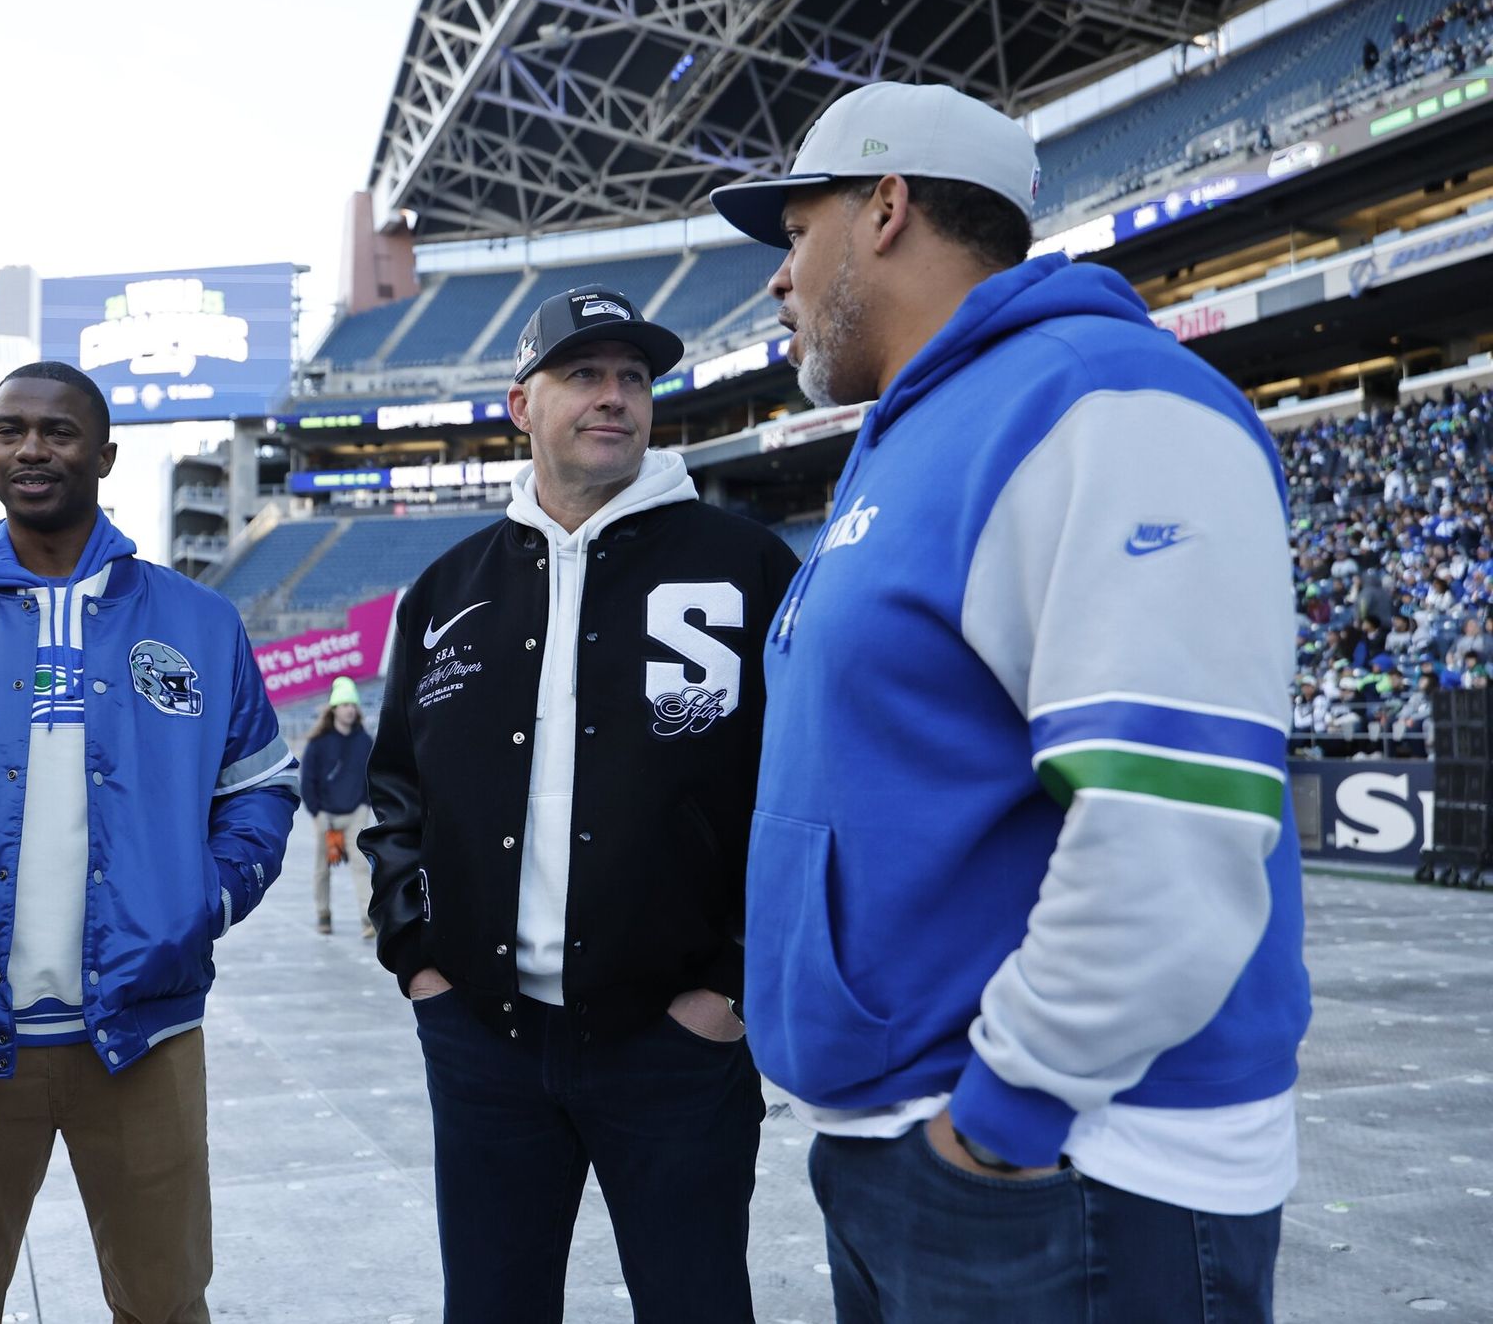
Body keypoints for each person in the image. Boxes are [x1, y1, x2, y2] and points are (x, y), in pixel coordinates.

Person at [711, 81, 1309, 1323]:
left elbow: (1169, 821)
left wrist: (1000, 1123)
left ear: (883, 208)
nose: (776, 279)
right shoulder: (914, 429)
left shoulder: (1104, 400)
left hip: (1077, 1167)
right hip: (916, 1145)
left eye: (792, 232)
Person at [361, 286, 799, 1322]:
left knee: (695, 1304)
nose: (614, 398)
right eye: (584, 375)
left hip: (675, 1044)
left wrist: (727, 992)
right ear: (522, 404)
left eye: (633, 379)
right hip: (482, 1043)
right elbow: (394, 792)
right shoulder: (446, 589)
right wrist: (415, 958)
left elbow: (797, 790)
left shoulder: (741, 568)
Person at [0, 360, 298, 1324]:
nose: (30, 449)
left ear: (104, 453)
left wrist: (201, 902)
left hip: (143, 1033)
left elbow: (261, 789)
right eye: (9, 428)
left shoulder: (199, 622)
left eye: (56, 431)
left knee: (167, 1301)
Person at [301, 675, 375, 937]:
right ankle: (324, 914)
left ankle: (368, 918)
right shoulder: (318, 743)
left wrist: (365, 806)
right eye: (345, 705)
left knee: (360, 865)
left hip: (354, 813)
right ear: (334, 709)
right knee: (323, 867)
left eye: (353, 705)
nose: (350, 709)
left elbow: (372, 775)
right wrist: (316, 812)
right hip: (326, 815)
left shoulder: (364, 741)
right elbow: (307, 780)